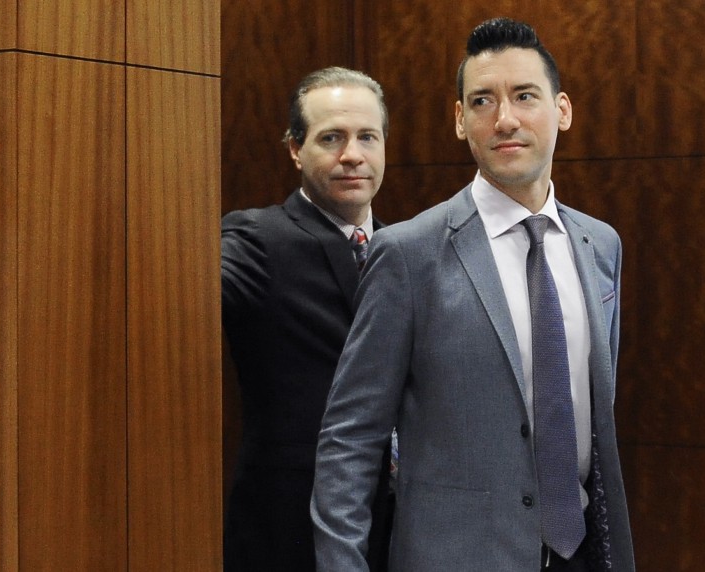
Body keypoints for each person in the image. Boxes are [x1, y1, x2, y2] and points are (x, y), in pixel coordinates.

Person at [311, 18, 635, 572]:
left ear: (562, 111)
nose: (505, 118)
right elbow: (350, 440)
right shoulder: (407, 254)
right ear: (461, 121)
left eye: (524, 96)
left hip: (581, 552)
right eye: (482, 101)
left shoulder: (599, 244)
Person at [222, 66, 393, 572]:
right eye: (331, 138)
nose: (353, 155)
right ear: (295, 148)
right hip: (289, 529)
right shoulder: (257, 240)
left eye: (368, 137)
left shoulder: (406, 249)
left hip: (400, 526)